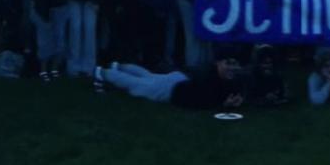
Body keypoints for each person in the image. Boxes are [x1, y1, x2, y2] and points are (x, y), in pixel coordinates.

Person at [95, 56, 250, 109]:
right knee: (136, 85)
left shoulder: (223, 78)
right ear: (218, 63)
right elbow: (203, 101)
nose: (231, 68)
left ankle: (118, 66)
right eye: (227, 64)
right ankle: (102, 73)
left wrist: (237, 98)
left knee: (148, 76)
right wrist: (224, 104)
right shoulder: (211, 77)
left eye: (234, 65)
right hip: (172, 90)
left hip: (178, 80)